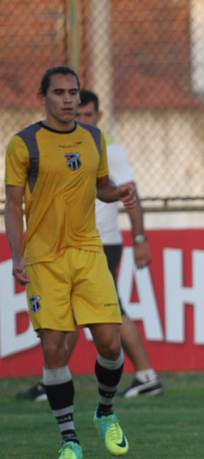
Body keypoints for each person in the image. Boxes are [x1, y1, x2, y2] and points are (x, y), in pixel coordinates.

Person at [4, 66, 138, 459]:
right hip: (44, 258)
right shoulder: (23, 143)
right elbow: (12, 206)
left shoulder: (94, 138)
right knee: (55, 347)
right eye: (59, 92)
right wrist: (16, 253)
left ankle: (106, 413)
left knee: (111, 343)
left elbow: (100, 187)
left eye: (73, 92)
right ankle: (69, 438)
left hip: (88, 251)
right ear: (42, 96)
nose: (68, 99)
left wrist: (119, 193)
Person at [15, 89, 164, 402]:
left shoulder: (106, 145)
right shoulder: (43, 143)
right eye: (77, 112)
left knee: (103, 314)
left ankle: (60, 377)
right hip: (65, 245)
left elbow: (129, 195)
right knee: (87, 313)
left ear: (97, 116)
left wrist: (140, 239)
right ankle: (142, 375)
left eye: (87, 114)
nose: (80, 118)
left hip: (100, 241)